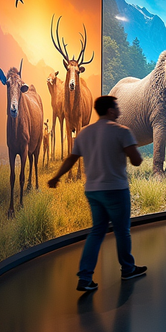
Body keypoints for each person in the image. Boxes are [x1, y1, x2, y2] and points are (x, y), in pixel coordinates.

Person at [49, 96, 146, 291]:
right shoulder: (122, 132)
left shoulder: (84, 133)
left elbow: (71, 159)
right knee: (122, 231)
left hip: (93, 191)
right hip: (116, 190)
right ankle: (127, 268)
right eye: (116, 107)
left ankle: (85, 277)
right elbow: (136, 160)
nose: (119, 110)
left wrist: (56, 177)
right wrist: (130, 150)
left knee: (96, 232)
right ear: (110, 111)